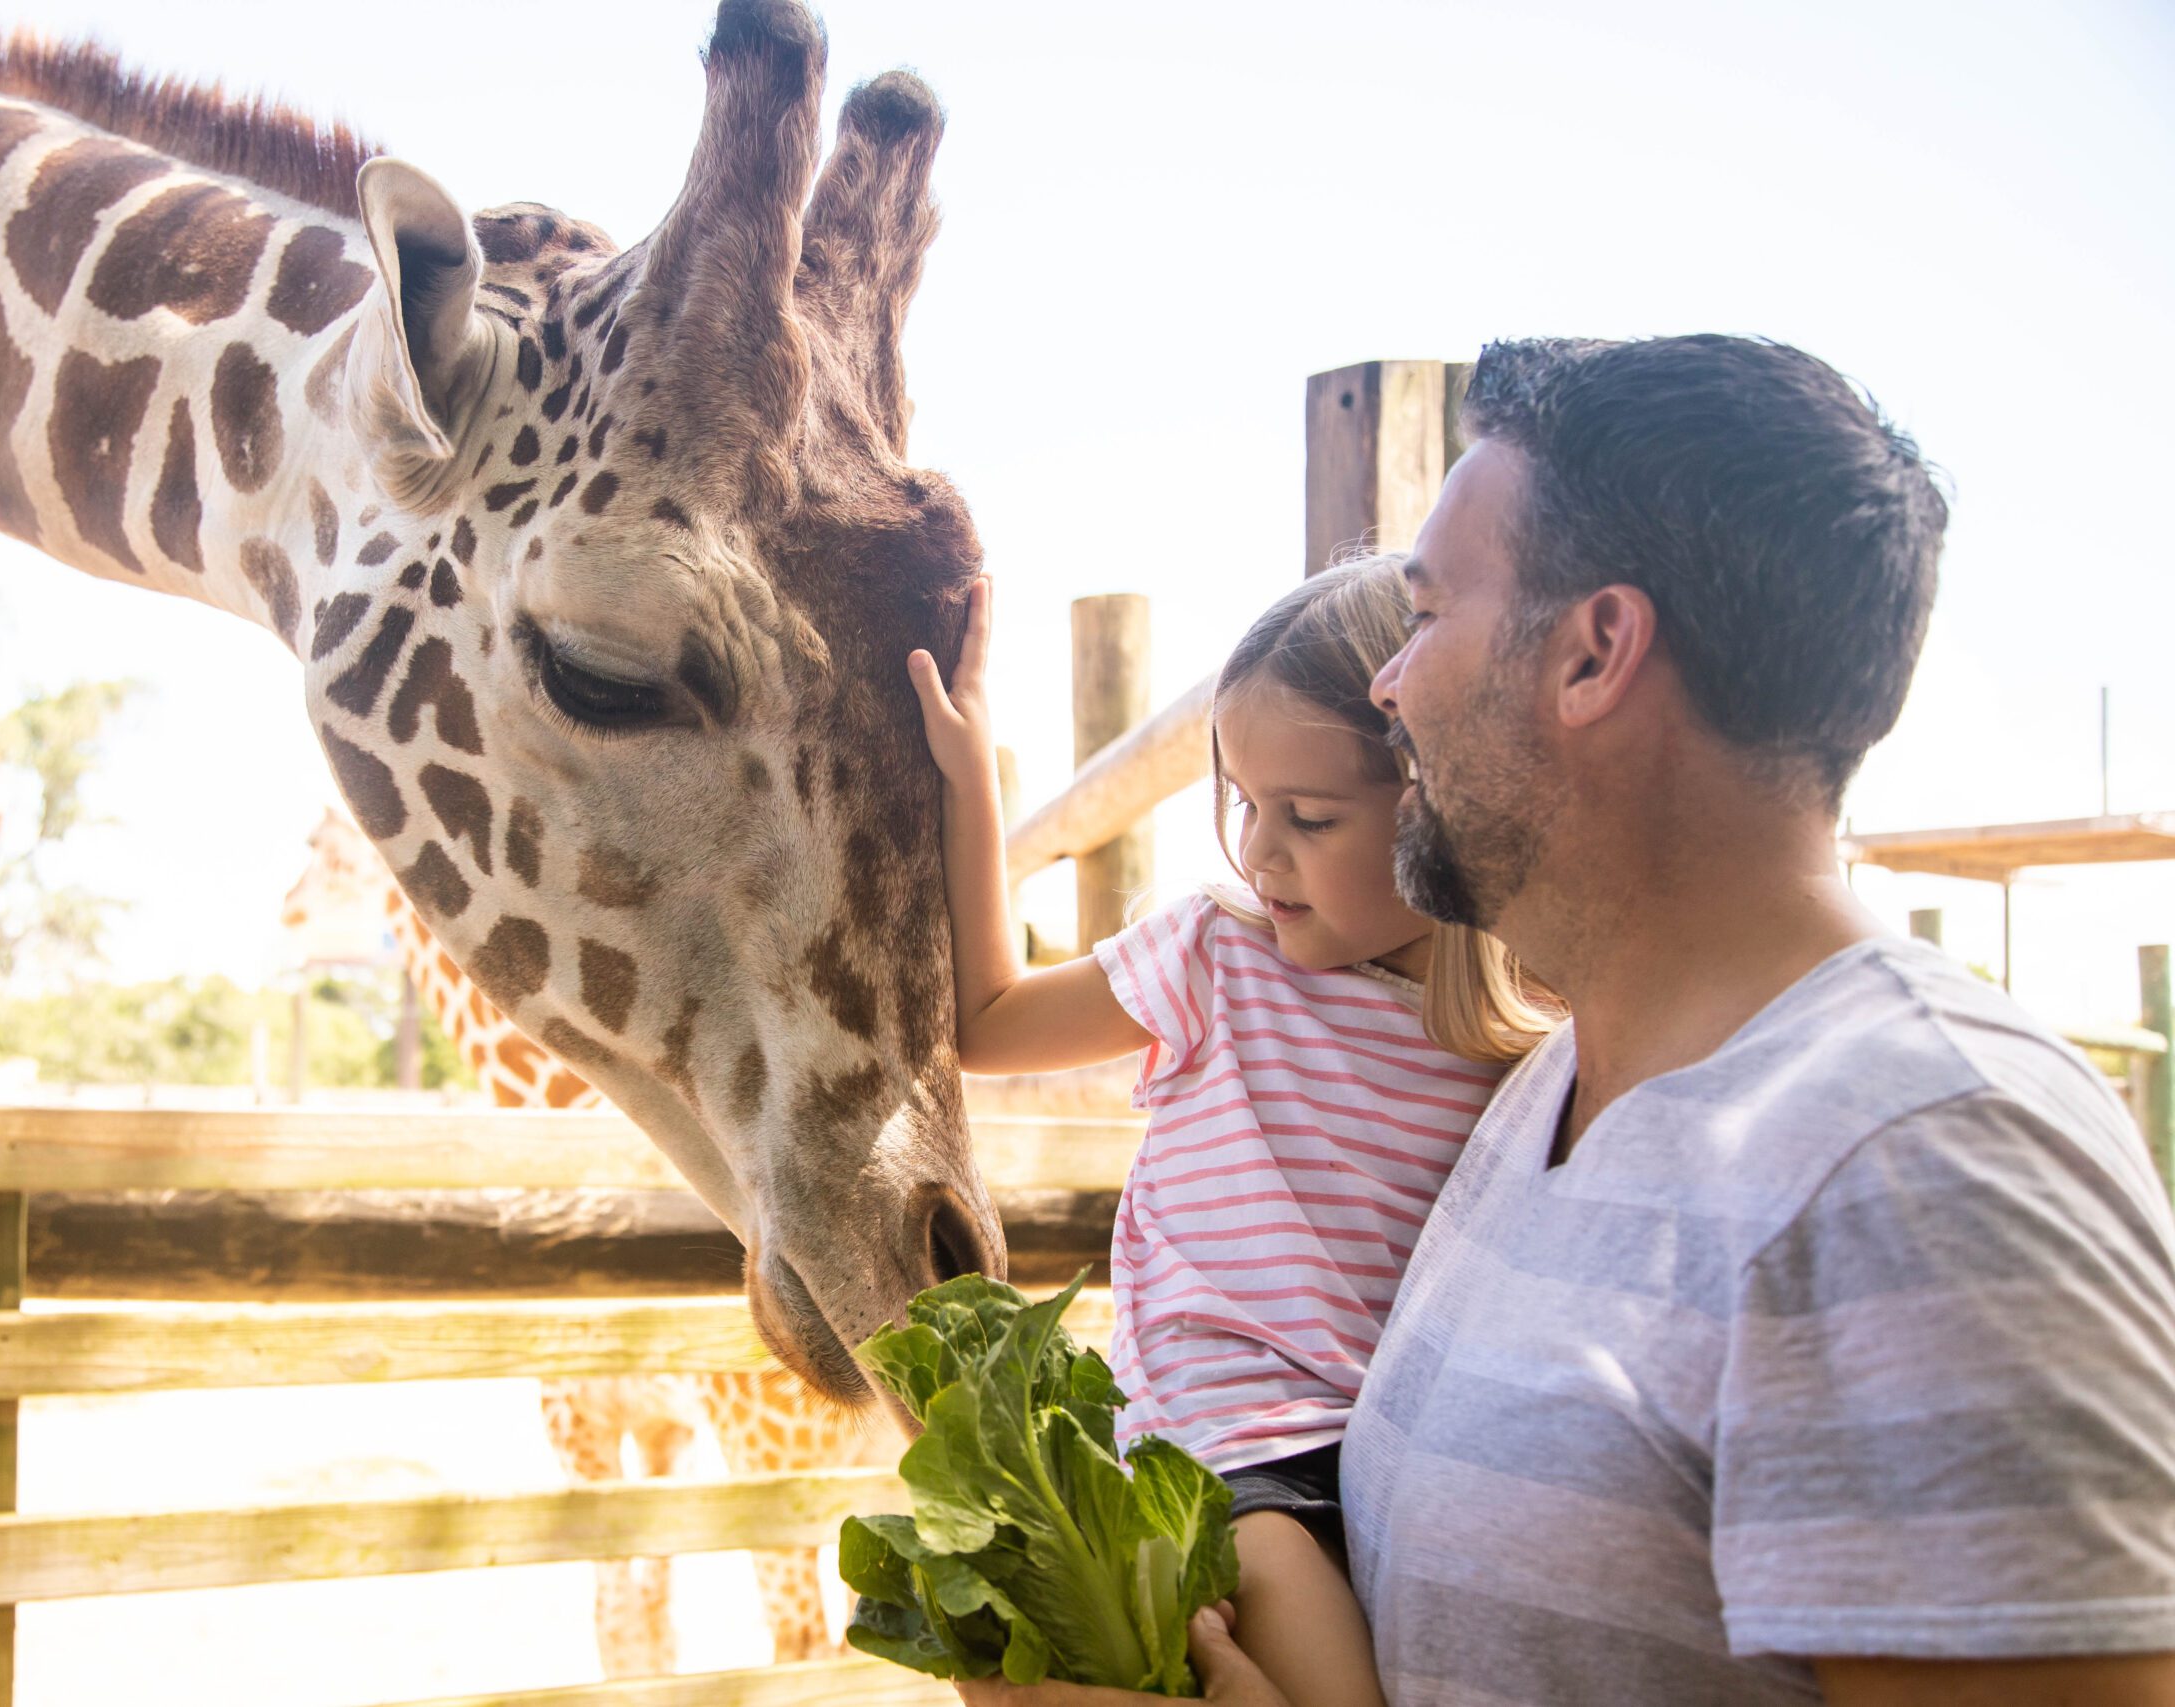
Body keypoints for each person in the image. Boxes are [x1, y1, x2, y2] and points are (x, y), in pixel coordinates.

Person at [962, 334, 2175, 1707]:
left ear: (1594, 653)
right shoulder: (1541, 1097)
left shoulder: (1925, 1159)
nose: (1386, 683)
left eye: (1423, 615)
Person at [911, 555, 1552, 1707]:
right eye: (1246, 808)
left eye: (1306, 818)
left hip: (1350, 1461)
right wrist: (971, 783)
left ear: (1439, 802)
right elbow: (987, 1021)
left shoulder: (1523, 1040)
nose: (1257, 854)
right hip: (1213, 1448)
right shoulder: (1217, 954)